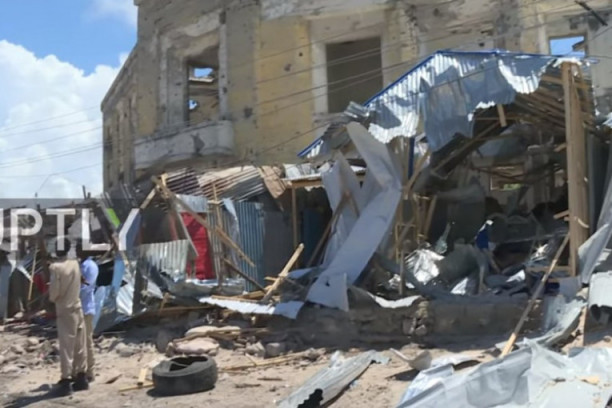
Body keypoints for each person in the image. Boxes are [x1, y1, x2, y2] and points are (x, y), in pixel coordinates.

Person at [48, 238, 88, 396]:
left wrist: (51, 295)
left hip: (65, 309)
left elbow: (54, 293)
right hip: (77, 306)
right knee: (80, 344)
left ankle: (66, 380)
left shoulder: (55, 267)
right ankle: (81, 377)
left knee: (66, 346)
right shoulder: (75, 263)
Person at [76, 241, 98, 382]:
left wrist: (72, 294)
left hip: (86, 307)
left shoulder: (91, 266)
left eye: (79, 249)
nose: (76, 252)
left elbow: (87, 287)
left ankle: (90, 371)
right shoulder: (80, 265)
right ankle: (80, 370)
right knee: (79, 342)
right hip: (78, 308)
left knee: (87, 341)